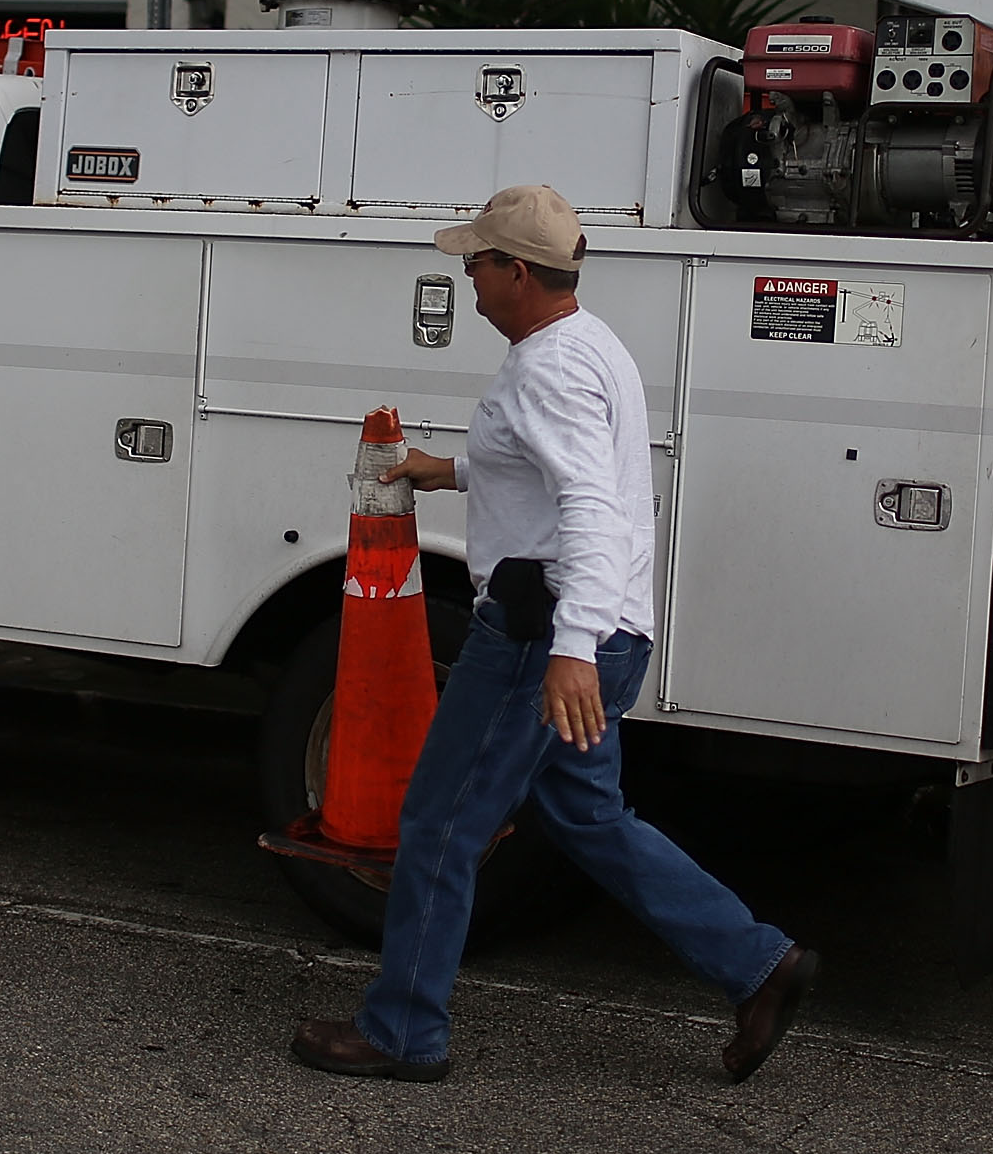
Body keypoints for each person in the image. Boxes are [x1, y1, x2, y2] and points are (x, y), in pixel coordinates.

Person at [290, 184, 818, 1084]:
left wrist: (570, 650)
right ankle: (759, 963)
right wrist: (444, 468)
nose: (467, 274)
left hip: (545, 640)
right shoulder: (582, 343)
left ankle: (402, 1032)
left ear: (521, 273)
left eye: (479, 261)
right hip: (599, 632)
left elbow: (589, 508)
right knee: (590, 817)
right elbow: (542, 469)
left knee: (440, 824)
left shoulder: (548, 368)